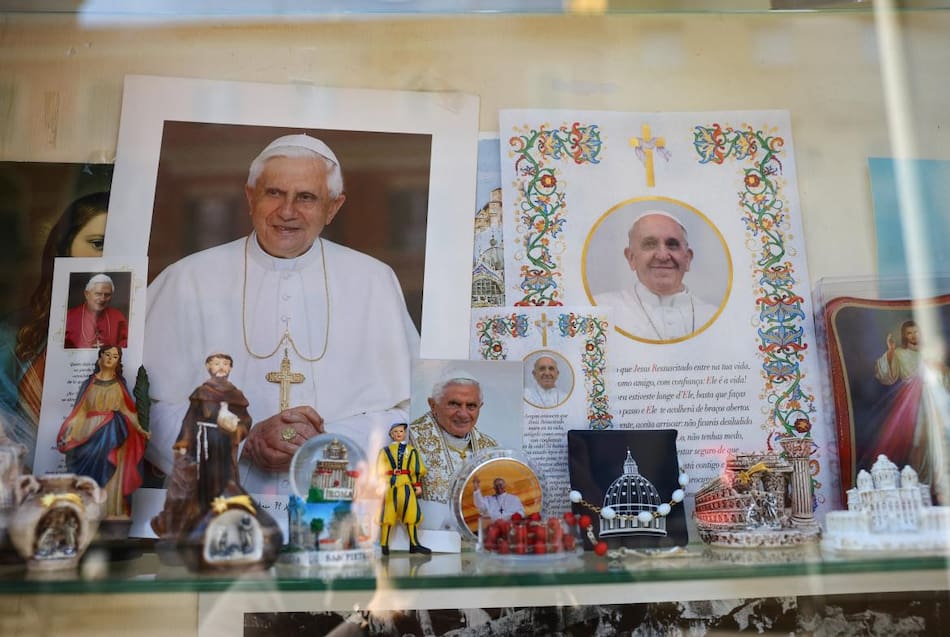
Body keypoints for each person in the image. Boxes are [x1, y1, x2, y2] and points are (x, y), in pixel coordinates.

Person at [143, 134, 418, 496]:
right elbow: (143, 408)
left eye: (306, 197)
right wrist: (240, 440)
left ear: (333, 208)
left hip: (335, 495)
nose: (287, 211)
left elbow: (410, 410)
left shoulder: (374, 281)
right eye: (274, 193)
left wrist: (319, 441)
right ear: (250, 197)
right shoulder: (187, 280)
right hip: (217, 499)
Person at [0, 191, 109, 463]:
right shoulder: (13, 334)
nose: (109, 255)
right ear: (64, 248)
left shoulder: (146, 326)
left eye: (122, 244)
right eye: (98, 243)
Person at [151, 353, 252, 540]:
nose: (221, 368)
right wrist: (183, 443)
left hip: (223, 447)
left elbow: (244, 421)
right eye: (216, 364)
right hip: (201, 443)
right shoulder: (201, 393)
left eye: (225, 364)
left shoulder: (235, 395)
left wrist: (236, 431)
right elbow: (189, 421)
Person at [55, 345, 149, 519]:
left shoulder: (119, 385)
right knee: (86, 473)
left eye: (115, 356)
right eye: (107, 354)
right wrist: (70, 431)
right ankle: (88, 511)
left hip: (114, 435)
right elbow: (80, 412)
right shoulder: (88, 384)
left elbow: (128, 410)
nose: (110, 359)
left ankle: (110, 511)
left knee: (112, 473)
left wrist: (139, 428)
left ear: (118, 361)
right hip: (90, 432)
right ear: (100, 357)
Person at [594, 211, 718, 341]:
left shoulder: (714, 317)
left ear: (687, 259)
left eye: (672, 245)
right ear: (631, 258)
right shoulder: (599, 311)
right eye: (650, 244)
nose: (663, 256)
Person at [863, 320, 950, 499]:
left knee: (939, 440)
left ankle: (940, 483)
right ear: (904, 335)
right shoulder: (900, 353)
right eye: (909, 333)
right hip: (912, 404)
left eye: (916, 332)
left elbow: (943, 377)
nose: (913, 336)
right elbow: (886, 376)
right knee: (918, 442)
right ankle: (921, 483)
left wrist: (942, 370)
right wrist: (890, 352)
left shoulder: (930, 353)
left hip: (935, 402)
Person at [407, 373, 498, 530]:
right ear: (433, 405)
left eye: (471, 406)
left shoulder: (492, 449)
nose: (463, 414)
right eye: (454, 404)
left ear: (480, 407)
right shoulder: (408, 441)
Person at [376, 422, 429, 555]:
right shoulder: (384, 451)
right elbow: (379, 470)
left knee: (411, 513)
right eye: (395, 432)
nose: (398, 434)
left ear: (405, 433)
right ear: (391, 434)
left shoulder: (411, 450)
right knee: (388, 514)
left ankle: (414, 544)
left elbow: (416, 469)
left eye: (401, 431)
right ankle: (384, 544)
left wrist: (417, 485)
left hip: (406, 484)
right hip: (390, 486)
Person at [63, 273, 129, 349]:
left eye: (107, 295)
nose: (102, 299)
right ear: (87, 294)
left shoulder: (118, 317)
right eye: (98, 294)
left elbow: (126, 346)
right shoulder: (69, 317)